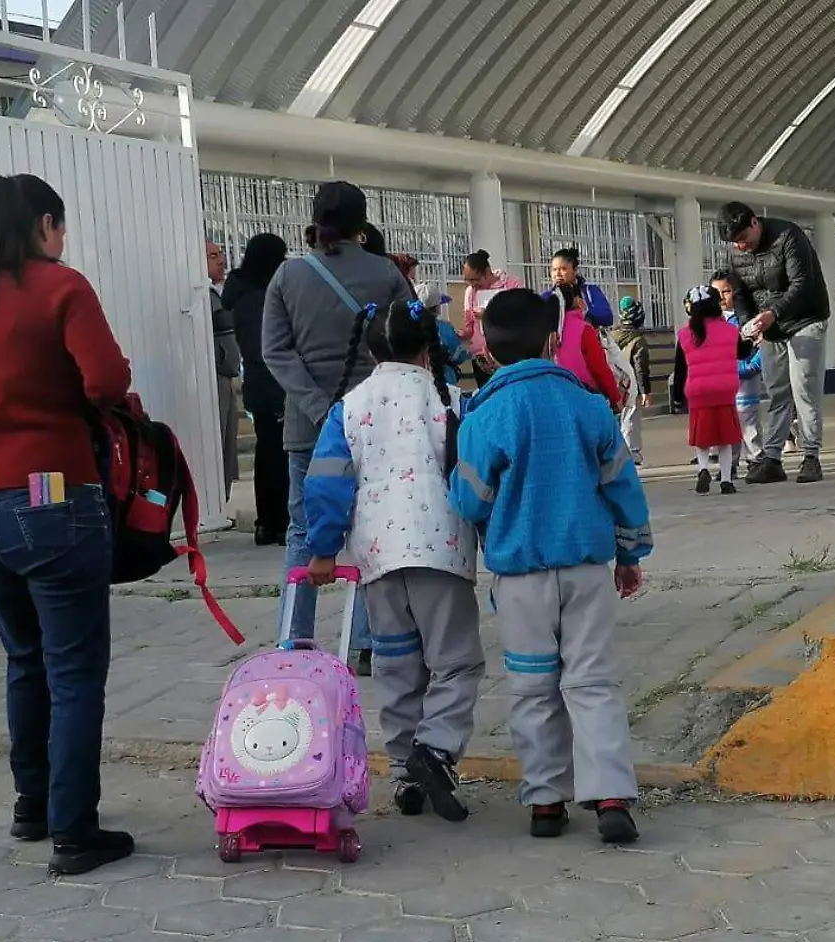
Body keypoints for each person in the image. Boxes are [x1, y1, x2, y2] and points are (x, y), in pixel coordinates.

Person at [0, 174, 136, 877]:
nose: (63, 240)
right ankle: (75, 830)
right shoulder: (62, 287)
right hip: (50, 492)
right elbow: (105, 382)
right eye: (62, 226)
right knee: (74, 670)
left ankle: (32, 804)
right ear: (46, 223)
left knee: (24, 658)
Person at [450, 289, 653, 844]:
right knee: (593, 682)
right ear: (554, 342)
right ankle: (611, 795)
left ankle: (545, 801)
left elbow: (469, 502)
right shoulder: (590, 408)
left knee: (532, 687)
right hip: (587, 569)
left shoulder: (486, 416)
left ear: (486, 351)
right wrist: (630, 553)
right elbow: (622, 488)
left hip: (519, 579)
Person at [304, 300, 484, 823]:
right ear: (428, 346)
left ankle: (406, 772)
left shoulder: (350, 406)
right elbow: (473, 474)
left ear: (369, 349)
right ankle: (436, 749)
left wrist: (322, 548)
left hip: (377, 557)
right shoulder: (451, 400)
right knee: (455, 661)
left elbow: (327, 481)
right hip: (441, 551)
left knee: (397, 662)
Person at [261, 181, 410, 670]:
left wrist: (317, 405)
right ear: (361, 225)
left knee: (303, 531)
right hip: (377, 425)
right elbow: (410, 336)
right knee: (372, 528)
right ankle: (369, 642)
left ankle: (293, 637)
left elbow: (275, 351)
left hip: (308, 428)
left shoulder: (287, 276)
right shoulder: (386, 274)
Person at [717, 202, 832, 485]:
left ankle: (811, 456)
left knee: (804, 385)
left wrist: (773, 313)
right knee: (777, 389)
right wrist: (747, 322)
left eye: (743, 239)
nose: (740, 246)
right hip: (770, 327)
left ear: (755, 223)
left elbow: (801, 283)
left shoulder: (788, 236)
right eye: (735, 242)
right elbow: (741, 293)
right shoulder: (736, 252)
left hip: (806, 318)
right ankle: (772, 459)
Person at [221, 233, 290, 545]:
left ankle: (267, 522)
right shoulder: (264, 296)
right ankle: (282, 521)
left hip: (257, 384)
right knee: (285, 452)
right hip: (278, 380)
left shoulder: (238, 292)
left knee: (266, 450)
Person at [678, 285, 746, 495]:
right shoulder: (730, 331)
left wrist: (678, 397)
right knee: (725, 440)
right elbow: (742, 353)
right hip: (725, 391)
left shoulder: (685, 334)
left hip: (698, 393)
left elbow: (680, 367)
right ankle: (726, 480)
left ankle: (703, 468)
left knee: (703, 439)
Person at [712, 271, 766, 475]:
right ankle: (729, 464)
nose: (722, 298)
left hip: (746, 378)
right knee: (727, 424)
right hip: (724, 381)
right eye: (717, 293)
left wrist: (751, 366)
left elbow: (762, 345)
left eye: (726, 291)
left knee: (748, 421)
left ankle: (755, 460)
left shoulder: (747, 319)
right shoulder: (713, 322)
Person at [551, 283, 624, 411]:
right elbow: (599, 369)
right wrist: (615, 398)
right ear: (577, 300)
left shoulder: (551, 331)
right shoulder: (584, 329)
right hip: (585, 396)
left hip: (556, 396)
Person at [461, 249, 525, 385]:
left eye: (475, 279)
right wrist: (462, 334)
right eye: (467, 280)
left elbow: (521, 315)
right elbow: (469, 325)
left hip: (508, 353)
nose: (472, 284)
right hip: (481, 357)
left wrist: (490, 314)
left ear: (487, 272)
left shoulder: (511, 284)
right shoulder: (470, 292)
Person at [206, 239, 240, 491]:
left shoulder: (221, 292)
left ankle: (223, 495)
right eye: (212, 255)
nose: (221, 260)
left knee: (228, 445)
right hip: (214, 377)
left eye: (221, 254)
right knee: (216, 443)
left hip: (228, 376)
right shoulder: (202, 296)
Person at [613, 295, 651, 461]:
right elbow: (640, 367)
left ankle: (616, 450)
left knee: (616, 417)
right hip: (631, 385)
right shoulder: (638, 340)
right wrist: (645, 392)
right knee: (631, 416)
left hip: (612, 383)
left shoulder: (611, 335)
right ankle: (632, 451)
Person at [545, 247, 615, 329]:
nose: (557, 273)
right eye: (554, 269)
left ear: (575, 270)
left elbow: (607, 317)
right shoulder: (547, 297)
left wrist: (586, 312)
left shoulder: (590, 291)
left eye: (563, 269)